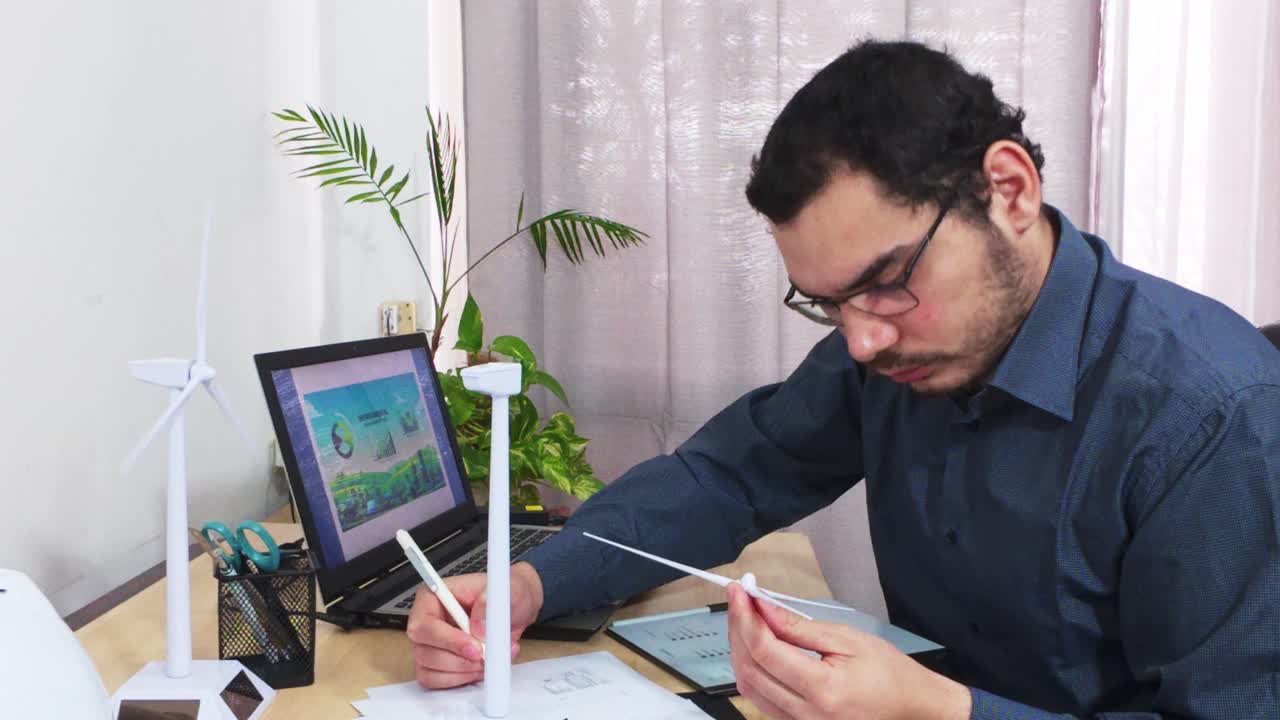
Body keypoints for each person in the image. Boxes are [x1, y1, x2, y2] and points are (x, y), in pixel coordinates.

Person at [406, 39, 1280, 718]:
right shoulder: (892, 352)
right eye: (827, 303)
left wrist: (943, 708)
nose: (861, 341)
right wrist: (533, 584)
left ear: (1008, 191)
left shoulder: (1209, 419)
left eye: (889, 279)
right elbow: (730, 474)